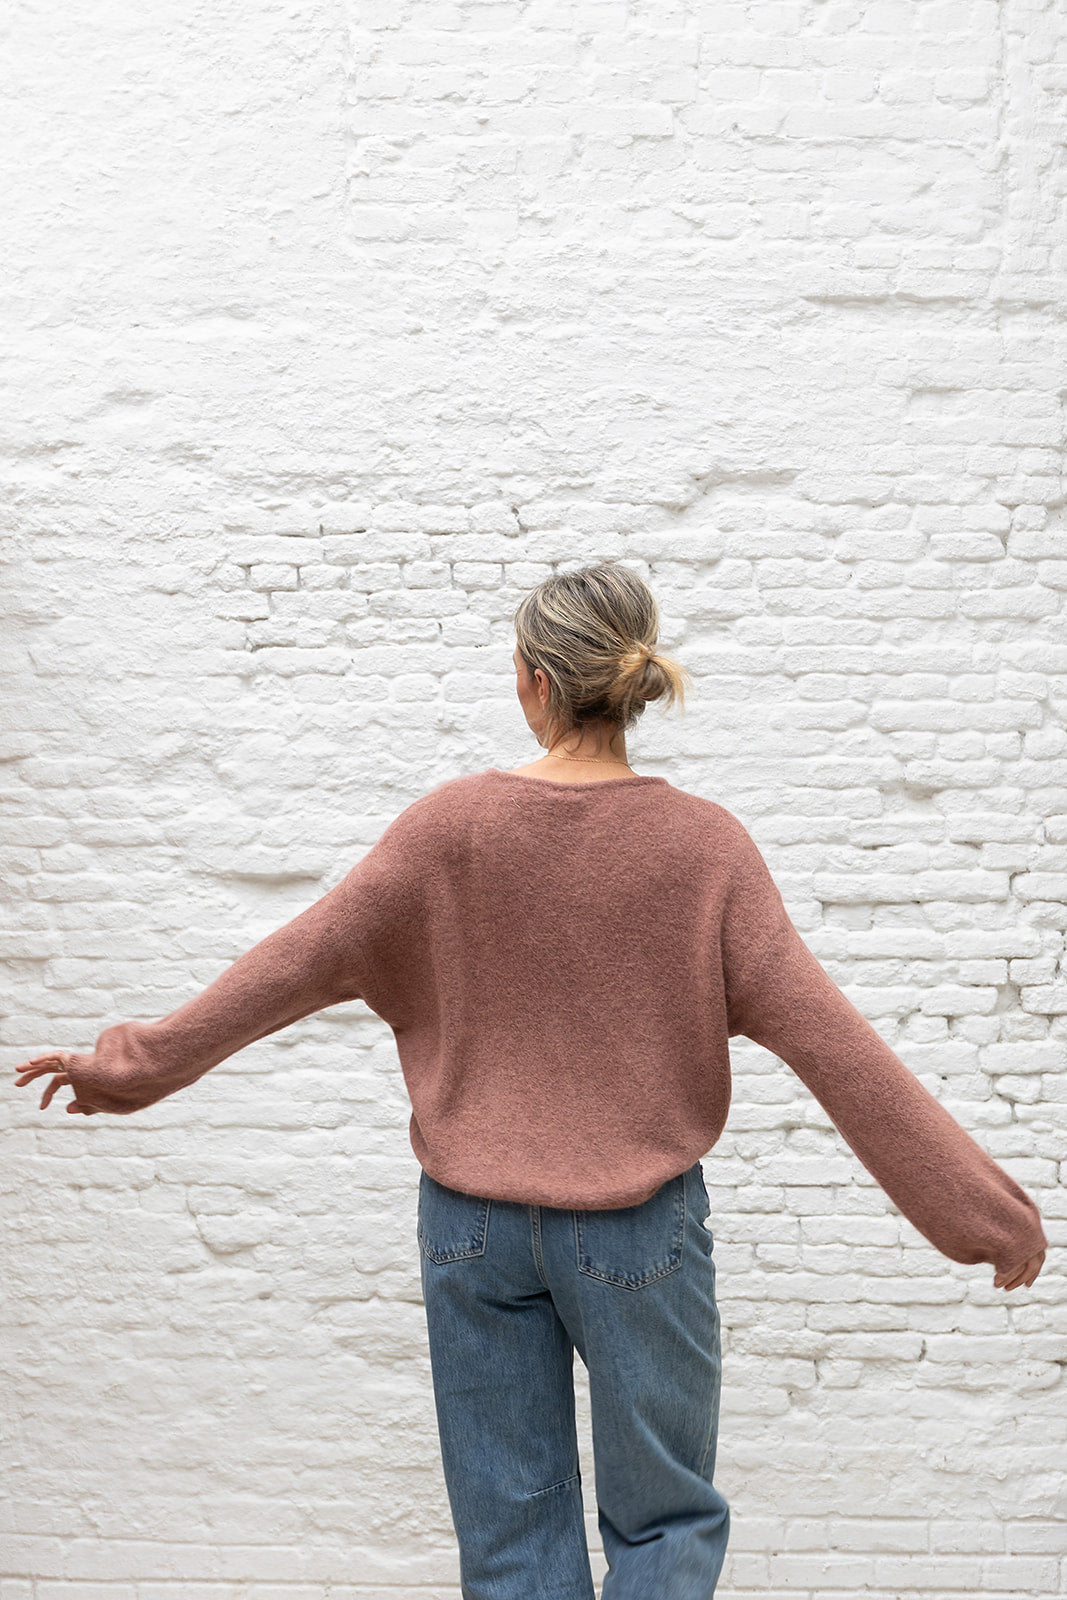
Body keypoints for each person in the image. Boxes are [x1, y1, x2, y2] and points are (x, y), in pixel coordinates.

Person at [13, 560, 1048, 1600]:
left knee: (511, 1537)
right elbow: (836, 1045)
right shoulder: (705, 849)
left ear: (534, 681)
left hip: (469, 1229)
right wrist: (980, 1215)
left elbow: (292, 963)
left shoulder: (447, 830)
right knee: (664, 1522)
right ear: (632, 683)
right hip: (637, 1232)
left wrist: (132, 1068)